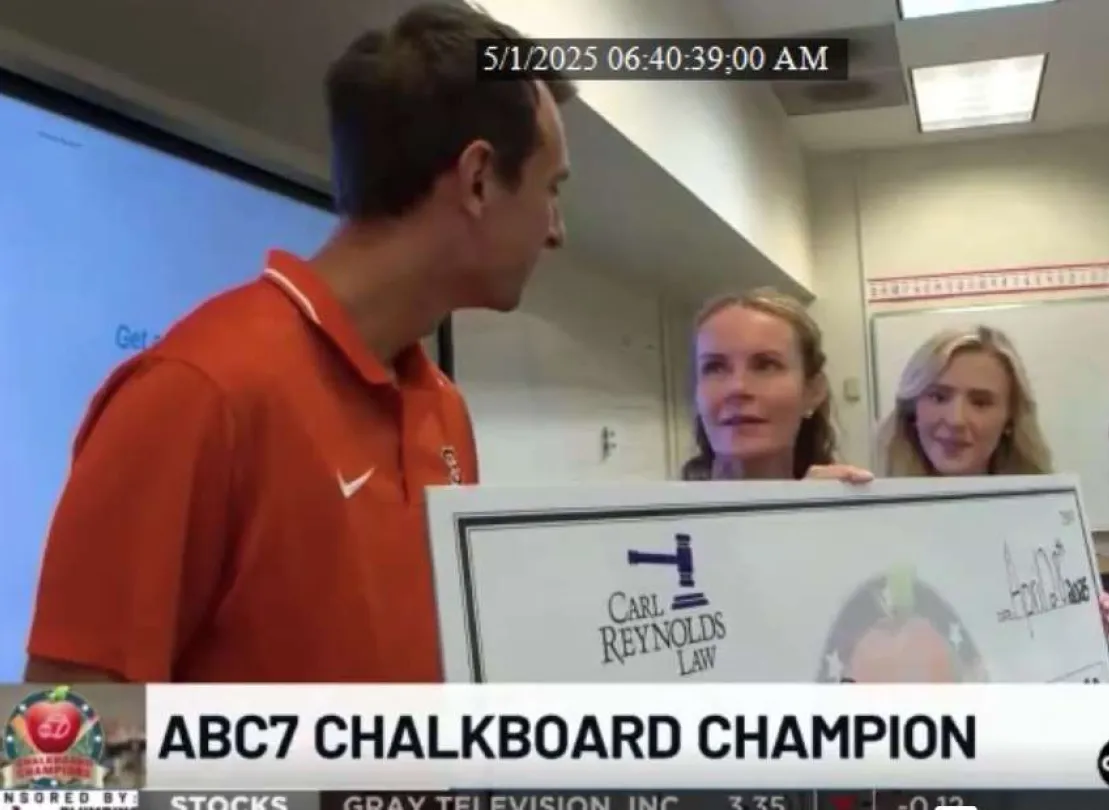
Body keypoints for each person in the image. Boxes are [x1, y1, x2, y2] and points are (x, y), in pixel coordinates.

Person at [25, 3, 574, 683]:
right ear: (479, 179)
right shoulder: (196, 392)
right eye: (552, 189)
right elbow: (59, 756)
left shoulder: (445, 411)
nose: (556, 231)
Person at [876, 326, 1109, 641]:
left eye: (980, 402)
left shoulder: (1046, 518)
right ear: (913, 408)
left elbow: (1068, 637)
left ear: (1009, 419)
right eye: (938, 396)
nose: (955, 419)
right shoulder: (876, 519)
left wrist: (1106, 623)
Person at [681, 288, 870, 482]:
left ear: (813, 391)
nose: (737, 387)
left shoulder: (845, 507)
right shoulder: (658, 509)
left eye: (766, 365)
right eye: (715, 368)